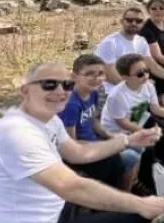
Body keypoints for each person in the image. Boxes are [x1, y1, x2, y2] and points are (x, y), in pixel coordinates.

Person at [0, 61, 164, 223]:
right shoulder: (16, 134)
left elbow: (78, 152)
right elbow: (71, 187)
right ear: (25, 90)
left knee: (112, 165)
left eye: (66, 85)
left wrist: (128, 141)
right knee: (141, 220)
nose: (60, 91)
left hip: (50, 214)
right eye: (49, 84)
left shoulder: (48, 120)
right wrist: (142, 204)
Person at [100, 53, 164, 188]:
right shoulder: (117, 96)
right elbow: (122, 123)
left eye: (146, 71)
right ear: (125, 77)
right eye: (139, 74)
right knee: (147, 148)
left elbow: (156, 109)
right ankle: (142, 182)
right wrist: (145, 132)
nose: (145, 76)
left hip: (137, 119)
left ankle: (163, 163)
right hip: (118, 131)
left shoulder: (148, 86)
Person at [57, 54, 137, 189]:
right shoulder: (71, 104)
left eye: (101, 73)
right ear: (74, 76)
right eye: (89, 74)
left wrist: (111, 136)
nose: (97, 79)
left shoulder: (94, 92)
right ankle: (118, 197)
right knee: (131, 156)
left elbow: (93, 122)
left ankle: (130, 186)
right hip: (79, 154)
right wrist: (105, 146)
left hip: (94, 142)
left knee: (136, 145)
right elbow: (70, 143)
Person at [94, 7, 164, 102]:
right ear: (122, 21)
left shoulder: (141, 41)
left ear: (142, 24)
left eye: (138, 21)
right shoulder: (109, 43)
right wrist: (138, 87)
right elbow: (110, 75)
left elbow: (152, 65)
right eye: (129, 20)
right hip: (111, 92)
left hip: (133, 87)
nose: (134, 23)